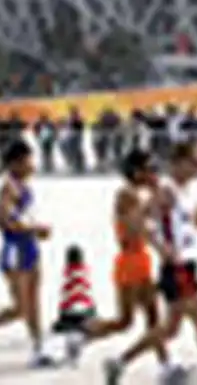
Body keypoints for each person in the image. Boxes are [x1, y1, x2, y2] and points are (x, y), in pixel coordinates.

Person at [103, 143, 197, 384]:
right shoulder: (166, 190)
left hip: (188, 263)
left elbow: (195, 222)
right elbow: (138, 219)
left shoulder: (186, 192)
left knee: (171, 329)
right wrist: (160, 247)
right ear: (178, 163)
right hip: (176, 266)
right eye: (193, 162)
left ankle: (120, 361)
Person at [65, 149, 179, 380]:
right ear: (136, 172)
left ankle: (166, 366)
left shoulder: (137, 194)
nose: (153, 173)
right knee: (125, 321)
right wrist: (155, 200)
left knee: (152, 316)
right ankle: (82, 335)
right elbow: (138, 227)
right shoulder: (126, 194)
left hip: (140, 258)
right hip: (129, 261)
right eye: (149, 169)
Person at [0, 141, 55, 367]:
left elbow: (20, 216)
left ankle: (34, 345)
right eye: (28, 160)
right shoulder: (9, 188)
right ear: (15, 163)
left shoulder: (23, 186)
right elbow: (3, 220)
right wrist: (34, 229)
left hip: (28, 246)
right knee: (25, 305)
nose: (32, 165)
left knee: (29, 304)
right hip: (16, 250)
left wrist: (34, 230)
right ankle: (34, 346)